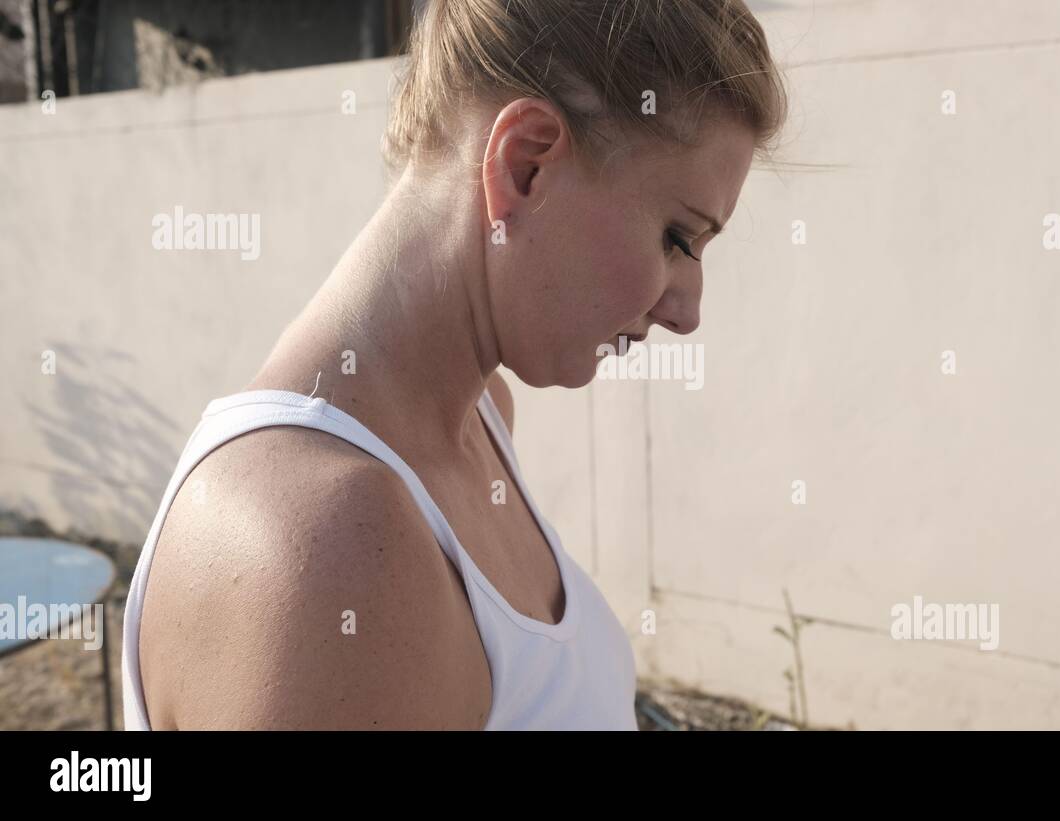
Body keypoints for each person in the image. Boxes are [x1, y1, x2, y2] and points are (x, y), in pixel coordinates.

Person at [121, 0, 788, 730]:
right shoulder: (321, 541)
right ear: (525, 163)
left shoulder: (481, 415)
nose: (685, 311)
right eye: (678, 239)